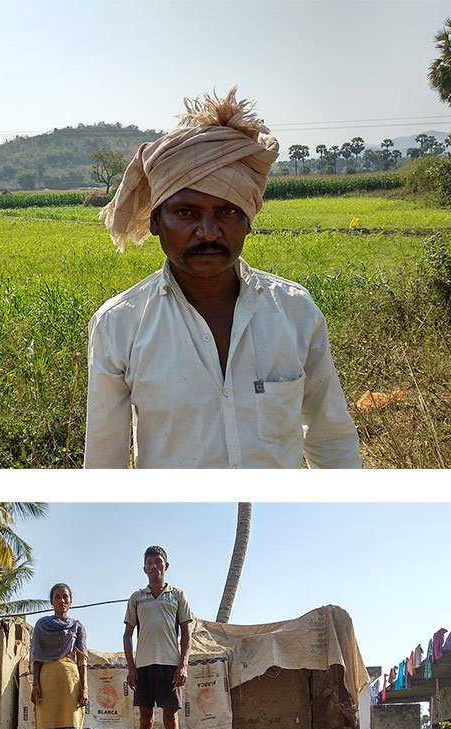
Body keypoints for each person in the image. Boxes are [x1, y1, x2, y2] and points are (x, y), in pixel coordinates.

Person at [86, 88, 361, 470]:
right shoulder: (119, 325)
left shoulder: (295, 312)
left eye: (228, 211)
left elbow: (330, 438)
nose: (209, 232)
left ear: (248, 219)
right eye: (186, 213)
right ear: (154, 221)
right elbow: (104, 465)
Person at [123, 545, 192, 729]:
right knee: (145, 720)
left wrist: (183, 665)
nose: (154, 566)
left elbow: (186, 633)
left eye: (158, 562)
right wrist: (131, 667)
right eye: (150, 562)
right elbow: (127, 635)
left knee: (171, 719)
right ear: (144, 568)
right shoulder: (136, 598)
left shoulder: (178, 595)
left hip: (170, 665)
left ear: (166, 566)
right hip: (143, 666)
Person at [30, 582, 88, 729]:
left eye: (65, 596)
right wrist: (34, 684)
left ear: (71, 601)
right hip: (47, 681)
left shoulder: (77, 626)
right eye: (57, 596)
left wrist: (84, 687)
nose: (62, 600)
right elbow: (36, 657)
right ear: (51, 601)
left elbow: (82, 659)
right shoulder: (41, 625)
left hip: (70, 682)